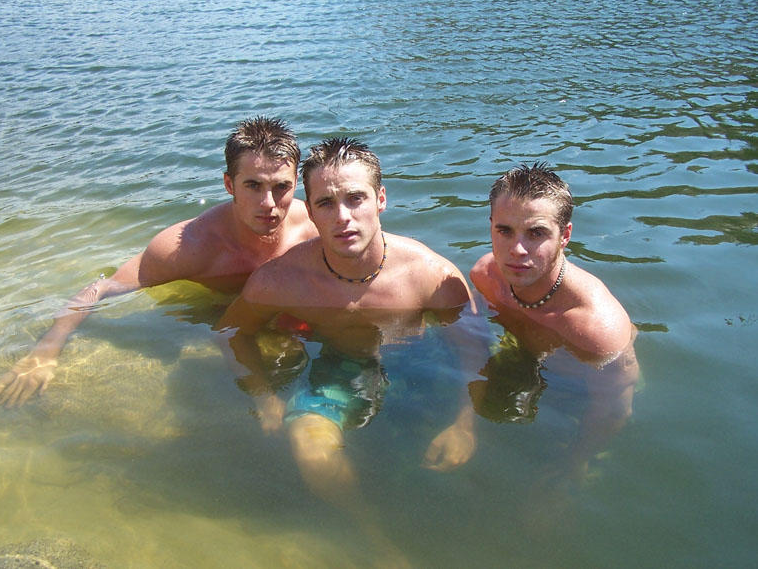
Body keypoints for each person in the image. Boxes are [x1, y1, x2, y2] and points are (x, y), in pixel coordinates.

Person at [216, 137, 478, 559]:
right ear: (309, 210)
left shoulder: (430, 277)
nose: (343, 217)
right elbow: (230, 332)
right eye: (326, 203)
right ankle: (375, 539)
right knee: (310, 446)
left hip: (419, 361)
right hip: (340, 368)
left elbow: (473, 352)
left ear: (381, 199)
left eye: (355, 198)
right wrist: (264, 397)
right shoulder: (281, 280)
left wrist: (465, 424)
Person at [0, 117, 318, 407]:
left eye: (281, 187)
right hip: (210, 312)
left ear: (296, 185)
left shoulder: (312, 227)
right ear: (229, 184)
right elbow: (101, 288)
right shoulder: (189, 247)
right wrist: (45, 352)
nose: (268, 203)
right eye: (253, 185)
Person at [470, 162, 639, 483]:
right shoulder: (486, 277)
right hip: (527, 364)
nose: (517, 250)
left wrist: (574, 463)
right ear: (491, 226)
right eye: (505, 231)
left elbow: (614, 412)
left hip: (580, 395)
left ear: (565, 235)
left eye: (536, 233)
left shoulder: (596, 329)